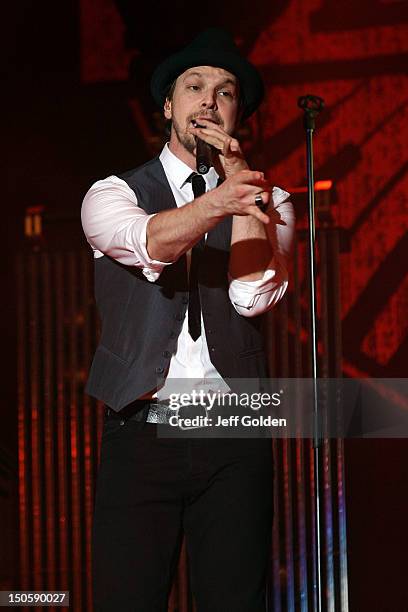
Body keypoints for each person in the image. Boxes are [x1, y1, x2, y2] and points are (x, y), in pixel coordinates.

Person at [81, 28, 295, 612]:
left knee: (234, 599)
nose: (208, 100)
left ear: (237, 113)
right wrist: (217, 202)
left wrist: (238, 183)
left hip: (233, 431)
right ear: (169, 107)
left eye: (224, 92)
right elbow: (151, 242)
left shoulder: (271, 202)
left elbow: (252, 295)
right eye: (194, 87)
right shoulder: (113, 192)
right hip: (140, 429)